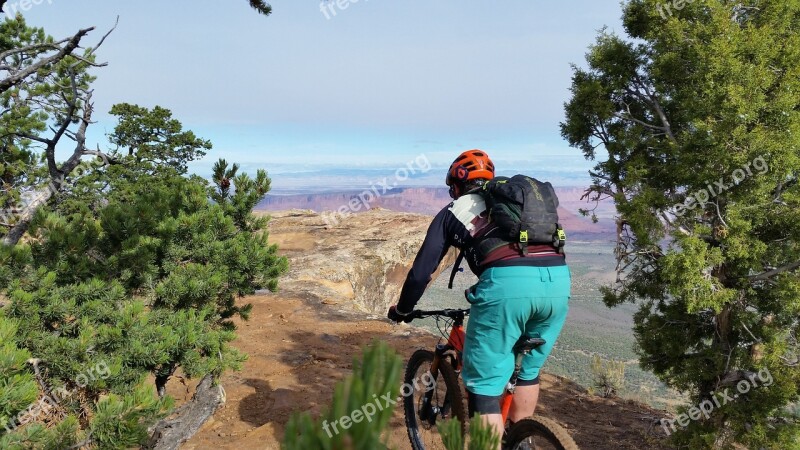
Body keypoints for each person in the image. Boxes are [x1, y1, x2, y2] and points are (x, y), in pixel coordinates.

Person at [387, 149, 571, 443]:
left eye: (451, 187)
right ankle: (521, 438)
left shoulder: (452, 211)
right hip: (558, 280)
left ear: (457, 184)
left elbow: (421, 272)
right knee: (528, 371)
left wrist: (404, 309)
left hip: (508, 287)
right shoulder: (515, 205)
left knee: (484, 387)